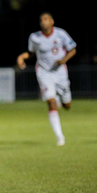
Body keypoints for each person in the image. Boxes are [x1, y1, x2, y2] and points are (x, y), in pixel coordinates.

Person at [17, 12, 77, 146]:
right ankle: (60, 137)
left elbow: (73, 49)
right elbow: (31, 53)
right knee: (51, 102)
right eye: (41, 20)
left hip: (60, 72)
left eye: (46, 19)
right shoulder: (34, 37)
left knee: (67, 106)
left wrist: (63, 60)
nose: (43, 22)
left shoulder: (61, 34)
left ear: (52, 22)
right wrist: (22, 56)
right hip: (44, 72)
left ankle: (60, 100)